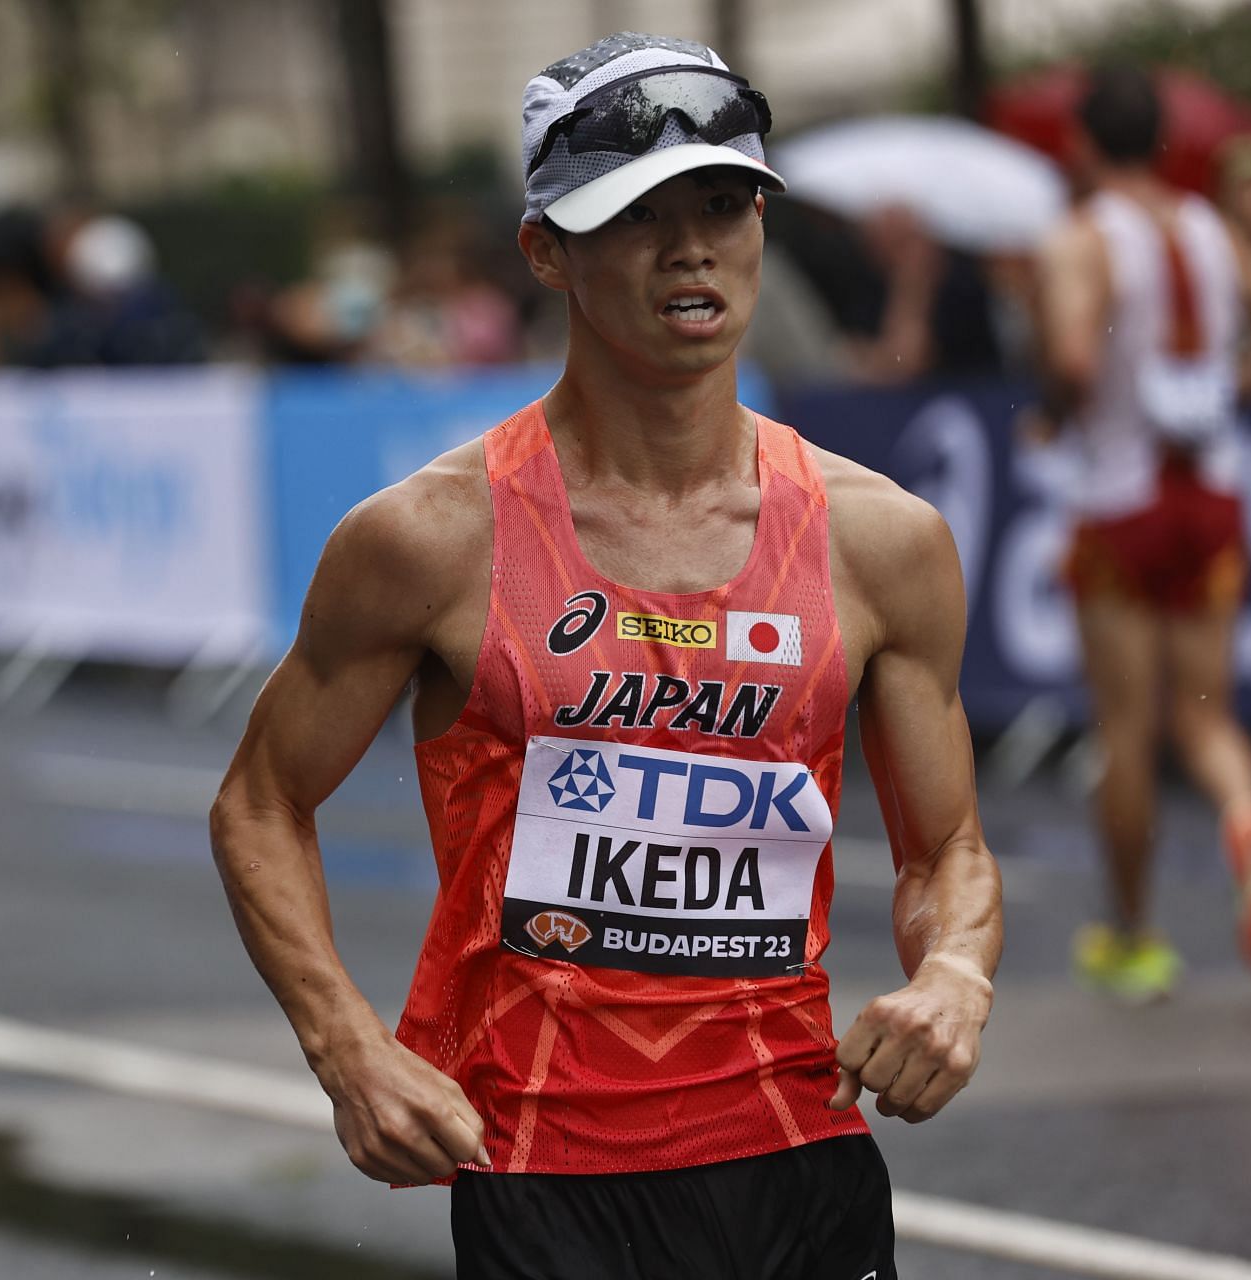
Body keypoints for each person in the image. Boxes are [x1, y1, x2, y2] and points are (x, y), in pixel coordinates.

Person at [210, 33, 1002, 1279]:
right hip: (546, 1182)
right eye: (636, 212)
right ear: (546, 252)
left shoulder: (881, 541)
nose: (691, 246)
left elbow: (945, 849)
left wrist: (955, 969)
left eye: (725, 202)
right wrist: (346, 1043)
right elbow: (259, 802)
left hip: (800, 1155)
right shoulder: (432, 537)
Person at [1036, 65, 1251, 999]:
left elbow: (1074, 358)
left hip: (1123, 502)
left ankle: (1133, 936)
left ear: (1083, 144)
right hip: (1211, 498)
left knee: (1124, 728)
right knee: (1205, 722)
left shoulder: (1080, 238)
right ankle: (1249, 822)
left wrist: (1051, 410)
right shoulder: (1211, 229)